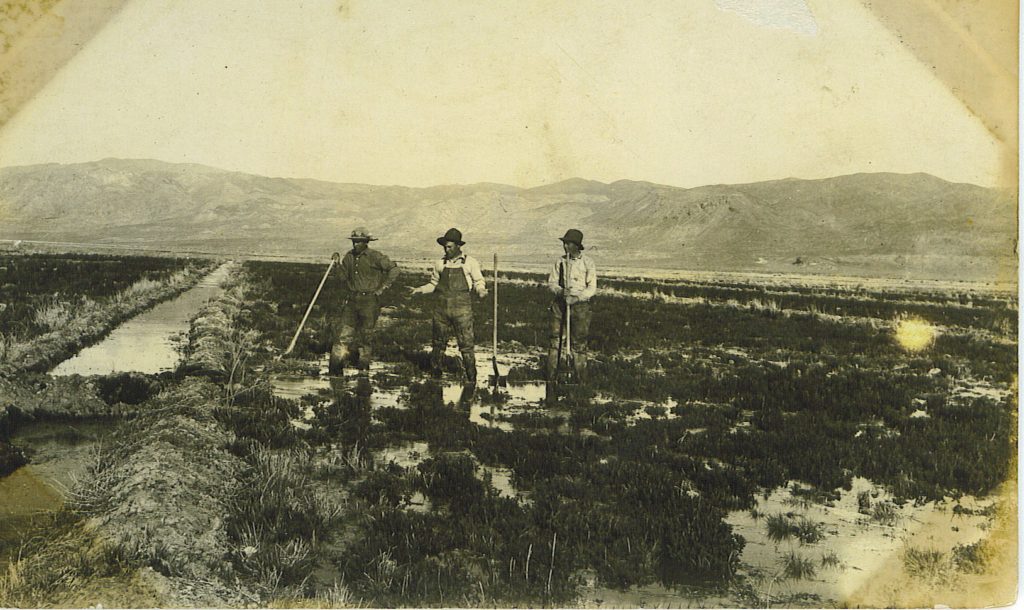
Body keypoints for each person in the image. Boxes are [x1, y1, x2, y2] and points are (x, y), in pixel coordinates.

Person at [410, 228, 488, 384]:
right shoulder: (440, 263)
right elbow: (433, 284)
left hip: (462, 311)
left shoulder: (470, 262)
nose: (447, 249)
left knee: (466, 346)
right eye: (445, 247)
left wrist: (481, 291)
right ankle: (435, 378)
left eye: (450, 247)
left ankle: (471, 379)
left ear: (458, 246)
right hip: (441, 310)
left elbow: (479, 281)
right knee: (438, 345)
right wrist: (419, 290)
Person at [329, 227, 399, 374]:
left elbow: (394, 270)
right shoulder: (349, 257)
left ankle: (363, 370)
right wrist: (336, 264)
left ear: (366, 242)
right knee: (343, 335)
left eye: (359, 242)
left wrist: (382, 288)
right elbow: (342, 277)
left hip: (370, 302)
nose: (355, 245)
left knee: (366, 336)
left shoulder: (375, 256)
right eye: (354, 242)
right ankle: (335, 371)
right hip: (352, 300)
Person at [547, 228, 597, 382]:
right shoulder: (559, 262)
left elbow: (592, 288)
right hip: (560, 305)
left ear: (576, 245)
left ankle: (580, 380)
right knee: (555, 341)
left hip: (580, 307)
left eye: (568, 244)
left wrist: (577, 298)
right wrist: (561, 292)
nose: (565, 247)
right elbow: (552, 283)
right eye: (564, 243)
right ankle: (551, 379)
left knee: (579, 343)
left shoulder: (588, 263)